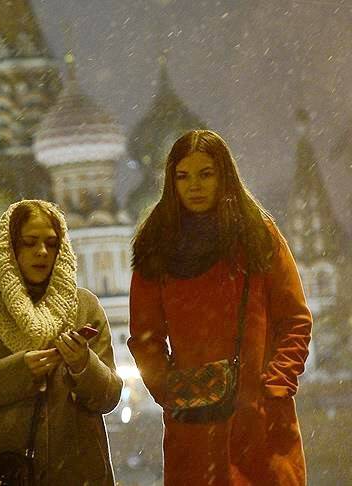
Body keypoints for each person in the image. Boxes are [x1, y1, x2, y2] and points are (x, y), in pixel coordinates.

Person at [128, 129, 311, 485]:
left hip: (260, 419)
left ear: (223, 175)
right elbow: (145, 337)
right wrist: (169, 391)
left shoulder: (257, 235)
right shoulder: (157, 246)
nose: (194, 185)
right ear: (171, 181)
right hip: (195, 423)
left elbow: (295, 319)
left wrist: (275, 386)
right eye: (183, 176)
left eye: (205, 174)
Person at [0, 199, 122, 485]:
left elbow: (109, 396)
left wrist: (83, 365)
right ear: (9, 248)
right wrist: (17, 372)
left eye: (51, 243)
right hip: (8, 474)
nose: (42, 252)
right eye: (29, 242)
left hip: (79, 474)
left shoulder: (84, 306)